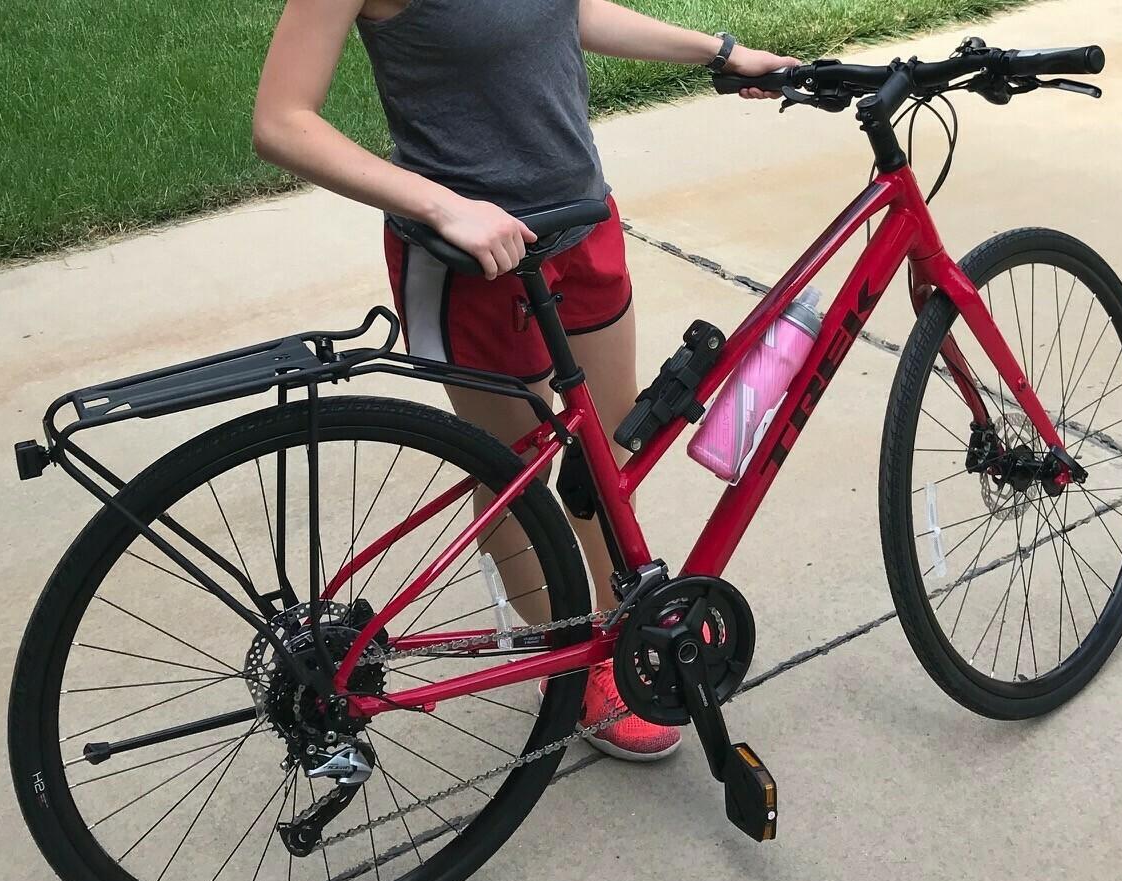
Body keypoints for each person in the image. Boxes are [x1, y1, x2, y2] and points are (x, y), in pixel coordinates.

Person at [253, 0, 795, 761]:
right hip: (474, 261)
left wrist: (721, 52)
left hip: (582, 222)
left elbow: (566, 10)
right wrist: (446, 207)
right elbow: (281, 121)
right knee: (515, 477)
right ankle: (566, 662)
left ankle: (620, 628)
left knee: (608, 460)